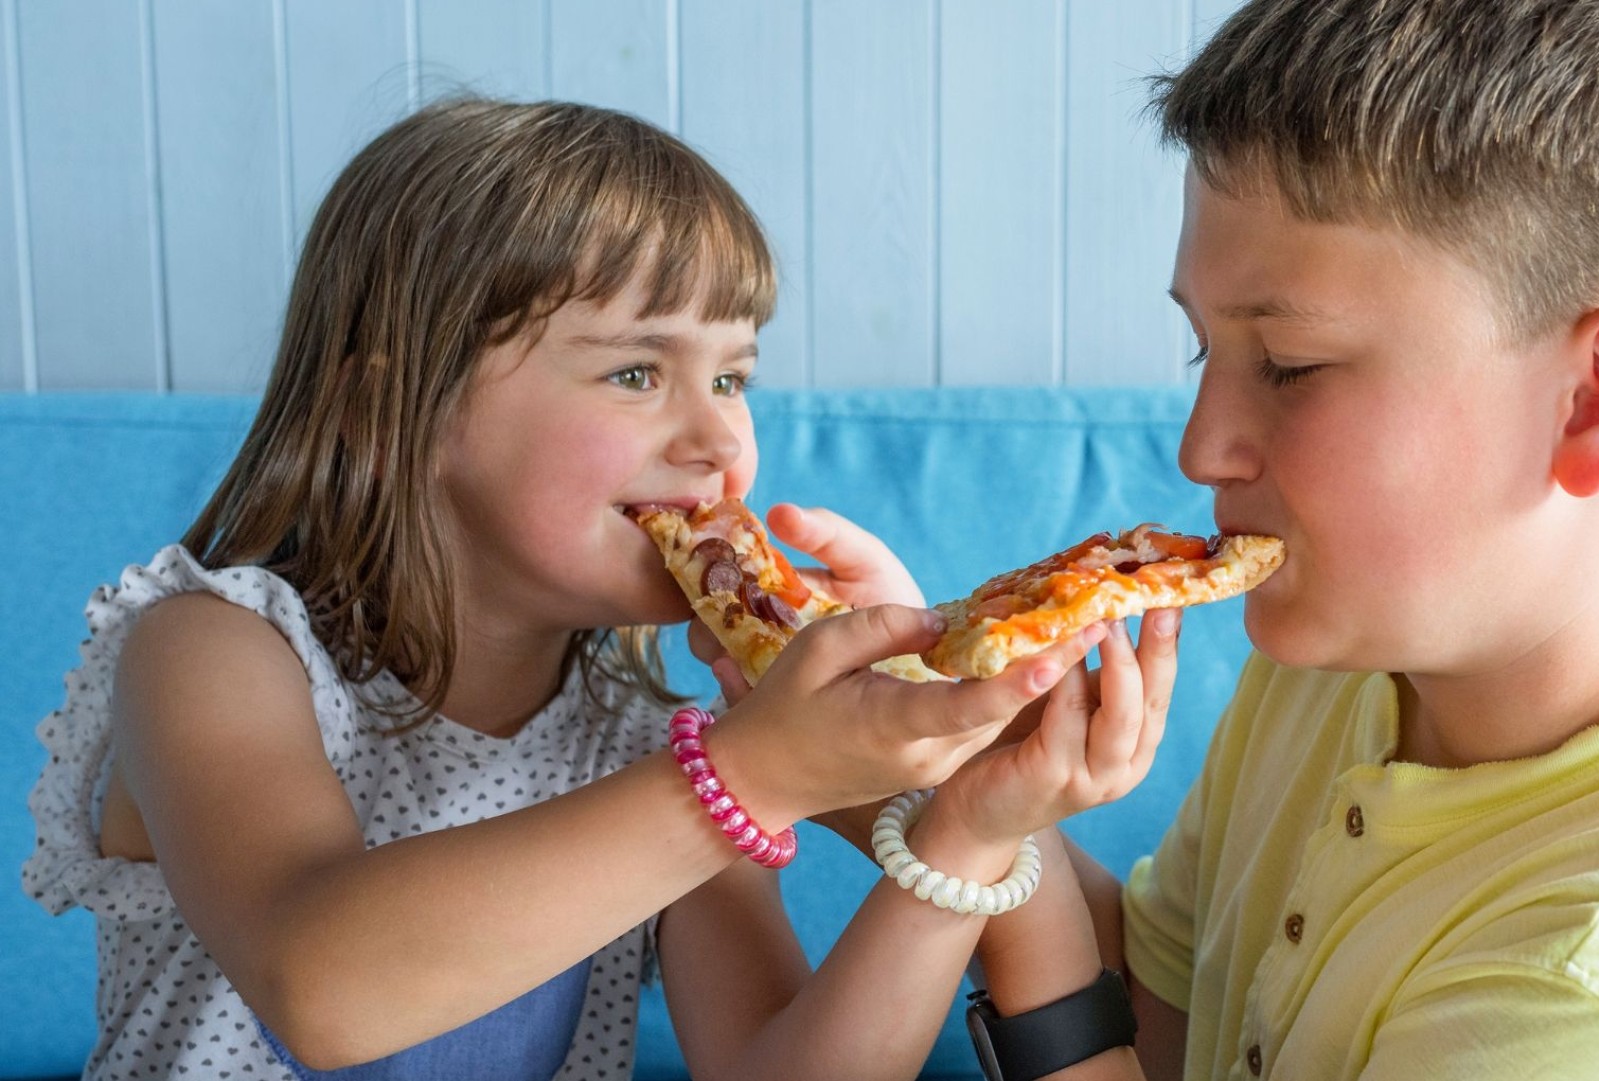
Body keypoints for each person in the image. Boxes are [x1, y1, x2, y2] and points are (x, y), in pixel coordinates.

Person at [22, 97, 1175, 1081]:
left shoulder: (641, 741)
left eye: (734, 375)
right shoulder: (213, 651)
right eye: (637, 371)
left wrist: (964, 825)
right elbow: (321, 983)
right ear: (400, 415)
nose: (720, 436)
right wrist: (755, 771)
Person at [949, 2, 1599, 1078]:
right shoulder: (1345, 658)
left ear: (1595, 399)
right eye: (1200, 351)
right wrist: (944, 779)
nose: (1200, 448)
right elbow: (1172, 1019)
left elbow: (1080, 1002)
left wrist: (991, 877)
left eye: (1290, 365)